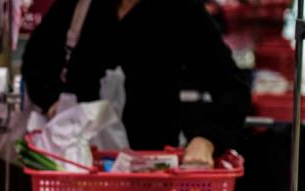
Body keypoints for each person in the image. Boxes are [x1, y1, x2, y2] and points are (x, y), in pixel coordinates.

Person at [21, 0, 251, 166]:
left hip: (151, 170)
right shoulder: (81, 5)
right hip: (79, 168)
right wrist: (53, 102)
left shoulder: (181, 10)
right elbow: (36, 60)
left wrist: (207, 139)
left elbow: (233, 87)